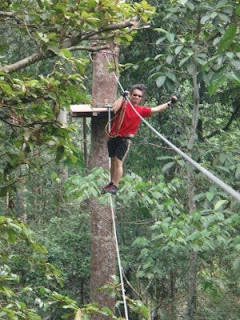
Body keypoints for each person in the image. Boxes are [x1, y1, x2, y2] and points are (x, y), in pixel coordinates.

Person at [102, 84, 177, 195]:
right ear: (131, 95)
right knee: (112, 160)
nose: (136, 97)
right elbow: (114, 108)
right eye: (135, 95)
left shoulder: (140, 110)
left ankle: (115, 186)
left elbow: (156, 109)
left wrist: (170, 103)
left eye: (139, 96)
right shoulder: (123, 104)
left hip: (124, 140)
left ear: (141, 98)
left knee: (118, 161)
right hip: (114, 137)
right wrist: (122, 96)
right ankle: (112, 182)